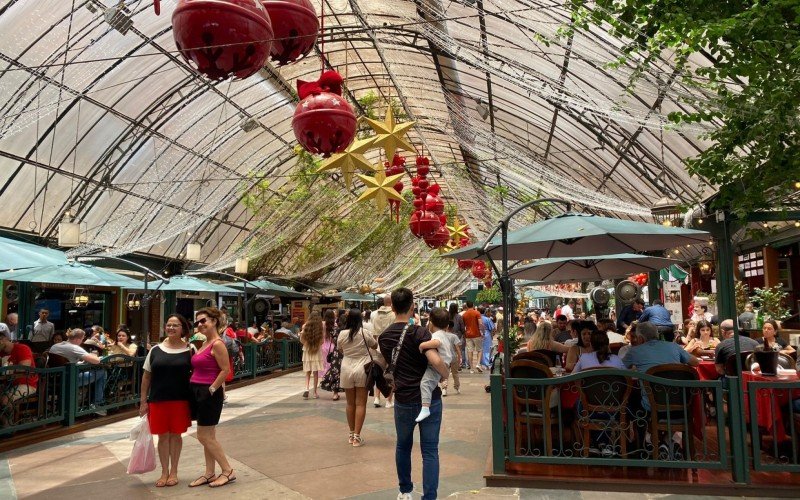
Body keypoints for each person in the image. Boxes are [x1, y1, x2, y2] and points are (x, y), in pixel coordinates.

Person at [378, 288, 448, 500]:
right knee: (429, 451)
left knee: (403, 446)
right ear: (412, 306)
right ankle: (429, 497)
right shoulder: (420, 333)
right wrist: (445, 375)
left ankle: (405, 491)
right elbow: (435, 361)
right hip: (430, 400)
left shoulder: (385, 336)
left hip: (404, 399)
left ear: (392, 307)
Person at [139, 314, 193, 488]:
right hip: (158, 400)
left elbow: (200, 371)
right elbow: (146, 377)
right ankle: (164, 472)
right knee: (162, 437)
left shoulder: (190, 349)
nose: (171, 328)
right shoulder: (155, 350)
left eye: (175, 325)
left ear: (183, 329)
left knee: (176, 436)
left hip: (180, 400)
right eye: (169, 325)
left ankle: (174, 472)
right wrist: (143, 402)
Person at [188, 307, 236, 488]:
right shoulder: (206, 343)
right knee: (208, 435)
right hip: (198, 391)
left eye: (203, 321)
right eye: (197, 322)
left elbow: (226, 370)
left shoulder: (217, 344)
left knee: (204, 436)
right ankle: (209, 473)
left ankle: (228, 470)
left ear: (214, 321)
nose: (200, 325)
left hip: (208, 393)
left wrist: (212, 388)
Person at [623, 321, 700, 412]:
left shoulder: (634, 351)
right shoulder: (674, 346)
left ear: (640, 338)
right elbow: (695, 362)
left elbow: (620, 368)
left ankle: (641, 426)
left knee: (629, 398)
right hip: (681, 404)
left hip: (651, 407)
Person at [337, 309, 378, 447]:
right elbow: (375, 345)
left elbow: (340, 349)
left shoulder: (342, 334)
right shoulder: (364, 333)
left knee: (350, 403)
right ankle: (357, 437)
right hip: (362, 368)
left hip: (346, 368)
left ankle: (350, 433)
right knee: (360, 403)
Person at [50, 328, 107, 416]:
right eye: (82, 339)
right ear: (78, 339)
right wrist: (93, 355)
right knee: (102, 372)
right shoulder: (74, 347)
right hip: (70, 380)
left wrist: (79, 362)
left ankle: (89, 402)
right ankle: (96, 404)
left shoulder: (55, 346)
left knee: (96, 372)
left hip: (55, 379)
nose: (82, 342)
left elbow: (66, 362)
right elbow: (96, 361)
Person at [414, 308, 453, 422]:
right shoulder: (444, 333)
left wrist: (422, 345)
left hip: (439, 364)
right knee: (432, 382)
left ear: (430, 322)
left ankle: (425, 408)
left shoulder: (437, 335)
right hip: (445, 363)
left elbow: (436, 343)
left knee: (425, 383)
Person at [0, 330, 38, 410]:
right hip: (8, 383)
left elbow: (23, 369)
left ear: (3, 339)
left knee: (5, 400)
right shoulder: (2, 353)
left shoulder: (22, 348)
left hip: (26, 384)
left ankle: (9, 422)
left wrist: (6, 370)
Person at [300, 311, 324, 400]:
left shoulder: (305, 326)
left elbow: (301, 339)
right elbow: (322, 341)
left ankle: (306, 388)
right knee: (315, 372)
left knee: (308, 372)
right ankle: (314, 392)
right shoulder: (320, 327)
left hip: (307, 350)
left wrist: (307, 344)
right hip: (316, 351)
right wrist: (316, 345)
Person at [320, 309, 342, 401]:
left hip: (323, 346)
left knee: (327, 364)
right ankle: (335, 391)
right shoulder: (335, 326)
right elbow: (336, 339)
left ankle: (325, 377)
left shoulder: (322, 324)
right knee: (334, 368)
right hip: (334, 347)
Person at [441, 317, 462, 397]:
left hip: (444, 358)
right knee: (455, 373)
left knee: (444, 374)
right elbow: (457, 348)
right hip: (453, 358)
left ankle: (444, 389)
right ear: (452, 327)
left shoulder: (441, 335)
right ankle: (457, 387)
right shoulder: (454, 336)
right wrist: (460, 357)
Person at [462, 301, 483, 373]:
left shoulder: (464, 314)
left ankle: (471, 368)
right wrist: (482, 331)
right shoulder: (477, 313)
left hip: (468, 335)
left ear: (467, 306)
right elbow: (480, 323)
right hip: (477, 334)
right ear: (473, 305)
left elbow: (463, 325)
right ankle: (478, 364)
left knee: (469, 351)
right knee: (479, 350)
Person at [449, 303, 467, 370]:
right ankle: (459, 365)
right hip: (458, 336)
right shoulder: (459, 316)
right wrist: (464, 334)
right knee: (458, 351)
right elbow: (462, 327)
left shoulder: (447, 316)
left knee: (450, 351)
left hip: (448, 336)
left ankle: (451, 365)